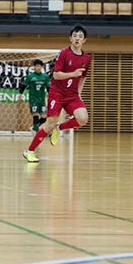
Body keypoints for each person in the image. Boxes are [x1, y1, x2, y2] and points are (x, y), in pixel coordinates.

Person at [23, 25, 90, 163]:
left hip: (72, 95)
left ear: (84, 40)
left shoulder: (86, 58)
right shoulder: (63, 53)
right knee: (49, 124)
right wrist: (72, 74)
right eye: (75, 36)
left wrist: (79, 93)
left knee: (83, 119)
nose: (77, 38)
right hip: (57, 93)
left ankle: (60, 128)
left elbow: (83, 77)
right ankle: (29, 151)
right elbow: (56, 75)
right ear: (70, 38)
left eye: (80, 36)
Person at [19, 59, 51, 132]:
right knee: (35, 116)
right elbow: (24, 85)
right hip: (33, 99)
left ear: (42, 67)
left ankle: (34, 128)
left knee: (44, 118)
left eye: (39, 66)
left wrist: (50, 96)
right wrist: (20, 94)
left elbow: (48, 87)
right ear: (34, 67)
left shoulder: (45, 77)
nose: (38, 67)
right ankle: (36, 132)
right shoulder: (30, 76)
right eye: (37, 66)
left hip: (41, 100)